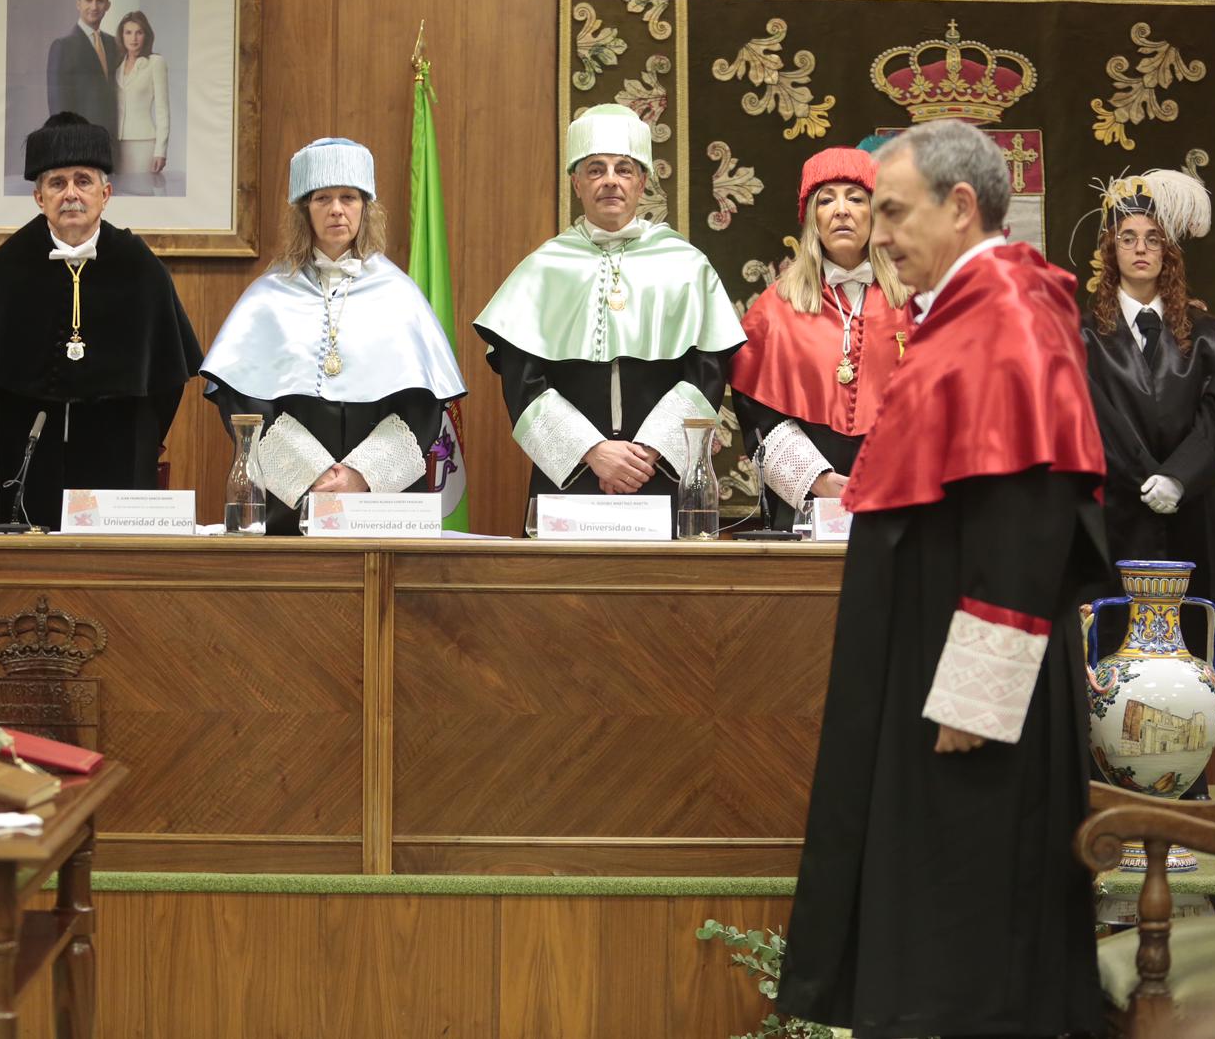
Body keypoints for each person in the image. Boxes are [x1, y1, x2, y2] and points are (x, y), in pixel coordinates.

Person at [778, 120, 1110, 1039]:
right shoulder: (972, 307)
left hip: (969, 690)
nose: (877, 233)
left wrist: (977, 691)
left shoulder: (1008, 310)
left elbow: (1030, 510)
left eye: (891, 210)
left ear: (960, 207)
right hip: (935, 652)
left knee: (971, 905)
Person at [474, 104, 743, 522]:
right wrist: (592, 451)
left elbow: (707, 370)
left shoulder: (686, 265)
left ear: (643, 182)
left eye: (624, 168)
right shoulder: (543, 268)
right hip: (570, 475)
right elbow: (522, 381)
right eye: (596, 169)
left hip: (657, 473)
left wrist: (647, 452)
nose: (610, 181)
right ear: (576, 183)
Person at [0, 112, 201, 530]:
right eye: (56, 183)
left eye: (83, 180)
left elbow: (168, 380)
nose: (71, 194)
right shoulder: (4, 269)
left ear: (106, 193)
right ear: (39, 198)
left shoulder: (141, 268)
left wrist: (136, 436)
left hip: (117, 451)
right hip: (22, 452)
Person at [201, 138, 465, 533]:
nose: (337, 210)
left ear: (366, 207)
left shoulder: (399, 294)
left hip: (381, 505)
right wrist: (314, 475)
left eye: (349, 197)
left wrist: (361, 476)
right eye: (322, 198)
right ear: (304, 211)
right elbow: (243, 402)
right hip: (291, 504)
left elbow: (423, 406)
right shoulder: (268, 296)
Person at [1081, 169, 1215, 701]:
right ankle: (1106, 781)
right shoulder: (1078, 337)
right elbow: (1082, 418)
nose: (1141, 249)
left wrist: (1177, 478)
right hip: (1112, 514)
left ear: (1169, 252)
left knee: (1196, 661)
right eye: (1128, 238)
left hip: (1192, 514)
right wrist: (1142, 476)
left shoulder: (1210, 336)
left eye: (1153, 239)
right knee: (1109, 657)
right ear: (1111, 250)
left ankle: (1190, 778)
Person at [729, 146, 912, 529]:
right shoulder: (774, 307)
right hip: (805, 503)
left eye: (856, 198)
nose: (841, 210)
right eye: (826, 199)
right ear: (812, 217)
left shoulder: (915, 303)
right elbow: (758, 414)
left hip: (898, 499)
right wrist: (819, 481)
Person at [47, 0, 119, 137]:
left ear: (108, 6)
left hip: (112, 141)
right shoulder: (62, 46)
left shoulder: (114, 44)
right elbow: (58, 108)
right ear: (78, 4)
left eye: (100, 1)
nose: (94, 7)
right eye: (88, 0)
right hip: (80, 140)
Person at [114, 10, 169, 178]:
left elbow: (162, 110)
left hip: (143, 143)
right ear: (122, 36)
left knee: (142, 192)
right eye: (128, 32)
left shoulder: (155, 63)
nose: (133, 38)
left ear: (146, 35)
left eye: (139, 32)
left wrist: (161, 151)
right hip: (117, 143)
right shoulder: (117, 65)